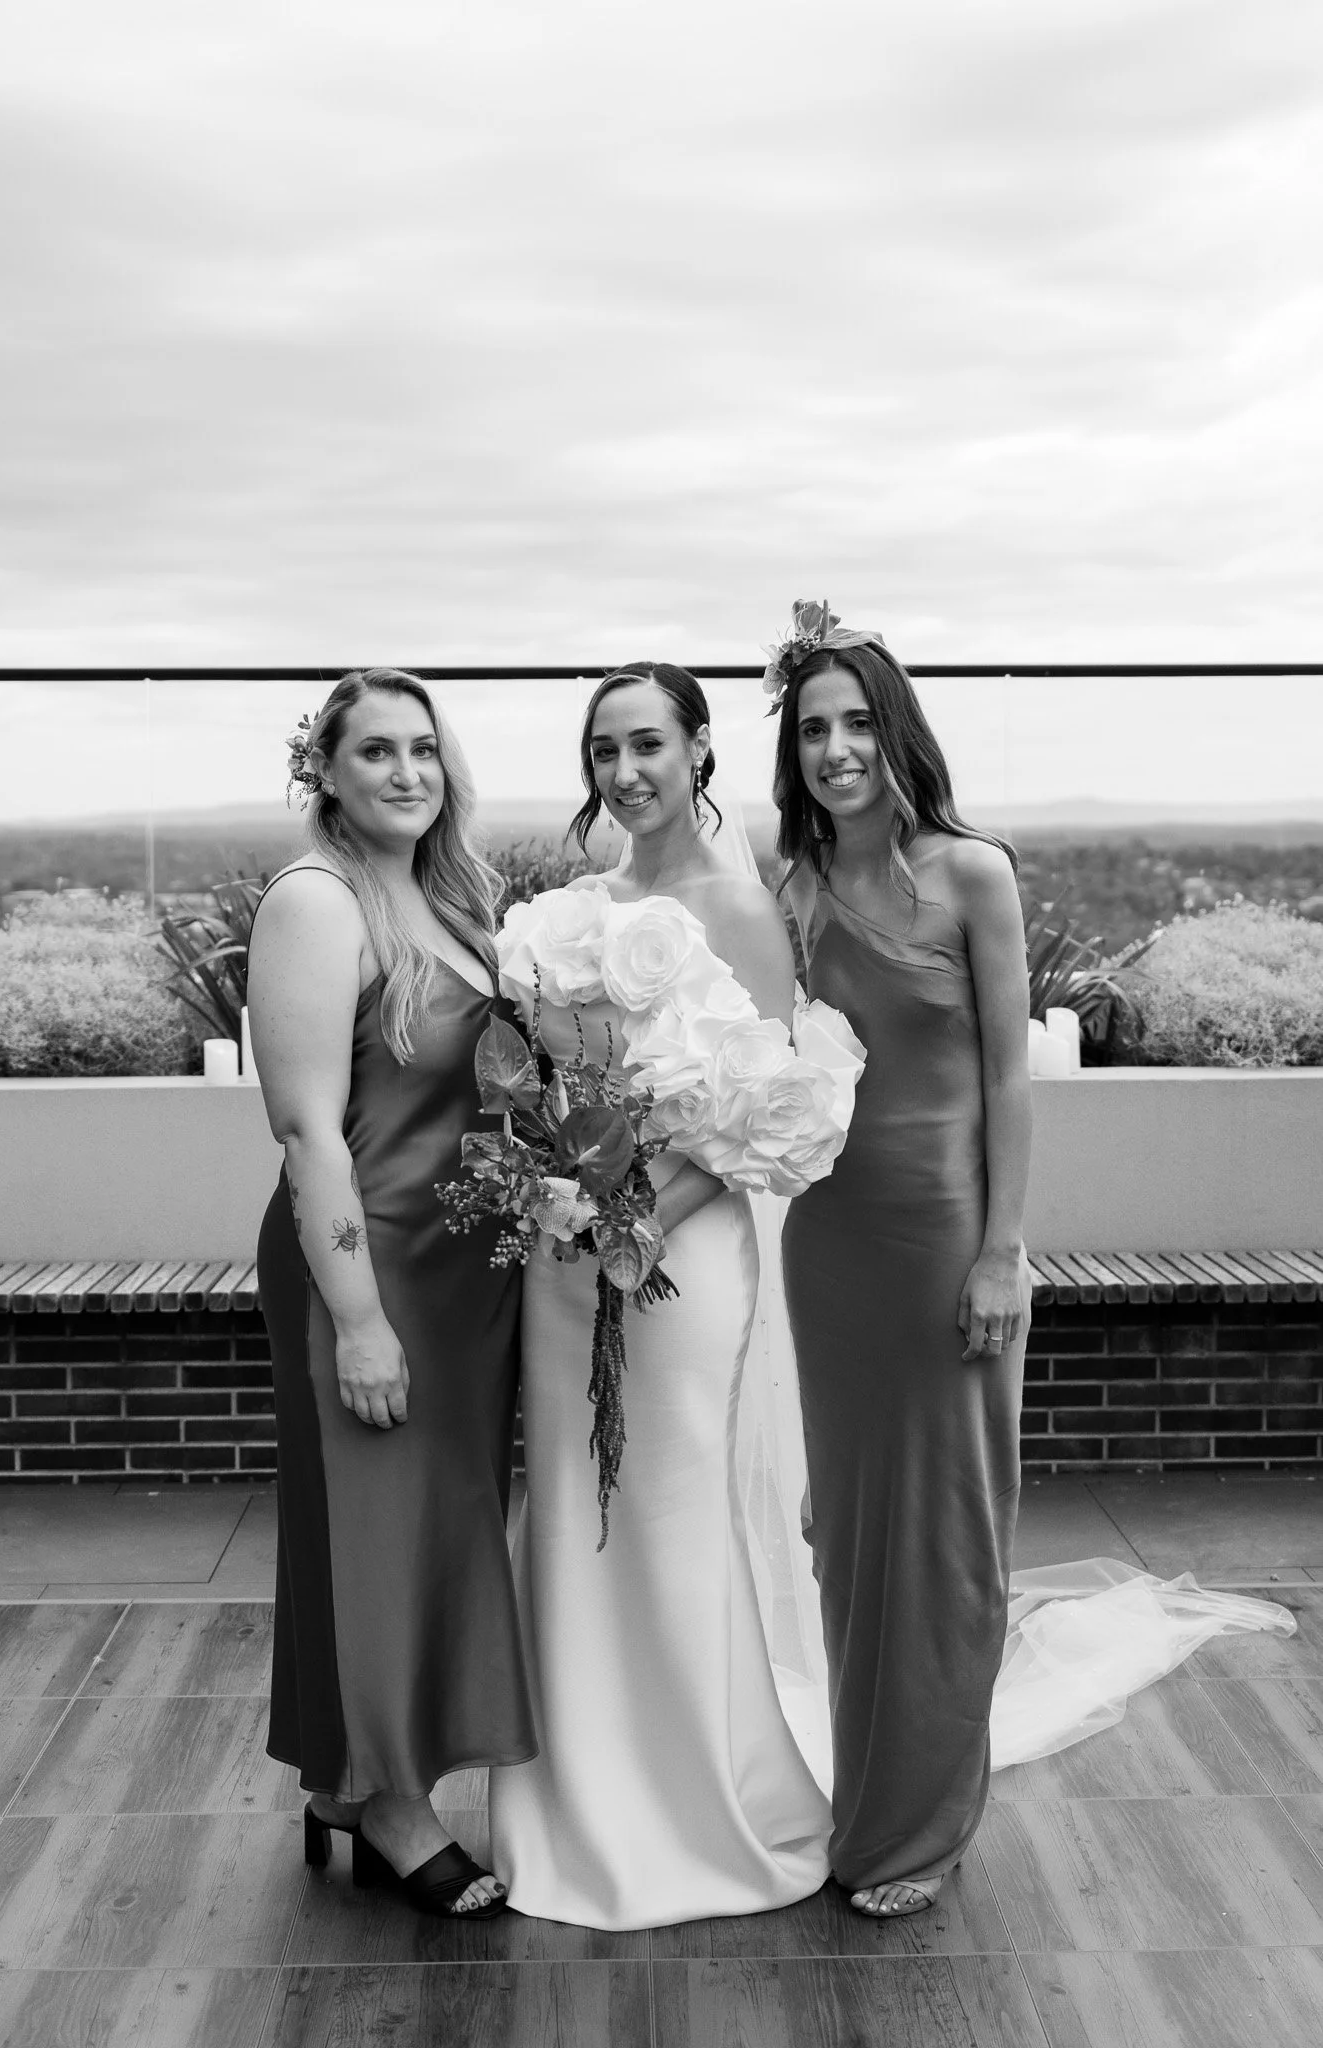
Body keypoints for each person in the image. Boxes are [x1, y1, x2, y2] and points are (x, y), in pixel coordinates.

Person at [486, 662, 864, 1930]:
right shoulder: (569, 910)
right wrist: (563, 1192)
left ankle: (707, 1805)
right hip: (563, 1244)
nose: (625, 771)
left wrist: (627, 1219)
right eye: (603, 750)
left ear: (700, 750)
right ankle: (579, 1802)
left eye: (648, 743)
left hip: (676, 1255)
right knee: (569, 1513)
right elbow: (532, 1075)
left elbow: (751, 1114)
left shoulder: (741, 910)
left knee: (671, 1504)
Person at [250, 667, 535, 1920]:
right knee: (371, 1532)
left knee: (432, 1528)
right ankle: (394, 1807)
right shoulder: (316, 902)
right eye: (376, 752)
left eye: (425, 748)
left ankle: (341, 1777)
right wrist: (357, 1320)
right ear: (326, 769)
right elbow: (310, 1131)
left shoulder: (446, 899)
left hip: (461, 1276)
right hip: (360, 1271)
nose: (408, 771)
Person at [769, 602, 1032, 1919]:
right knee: (854, 1539)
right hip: (830, 1248)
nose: (836, 748)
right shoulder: (792, 888)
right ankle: (865, 1793)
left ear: (897, 728)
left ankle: (921, 1821)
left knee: (941, 1540)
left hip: (944, 1249)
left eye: (857, 720)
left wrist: (1003, 1250)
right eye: (813, 727)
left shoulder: (972, 874)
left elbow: (1007, 1077)